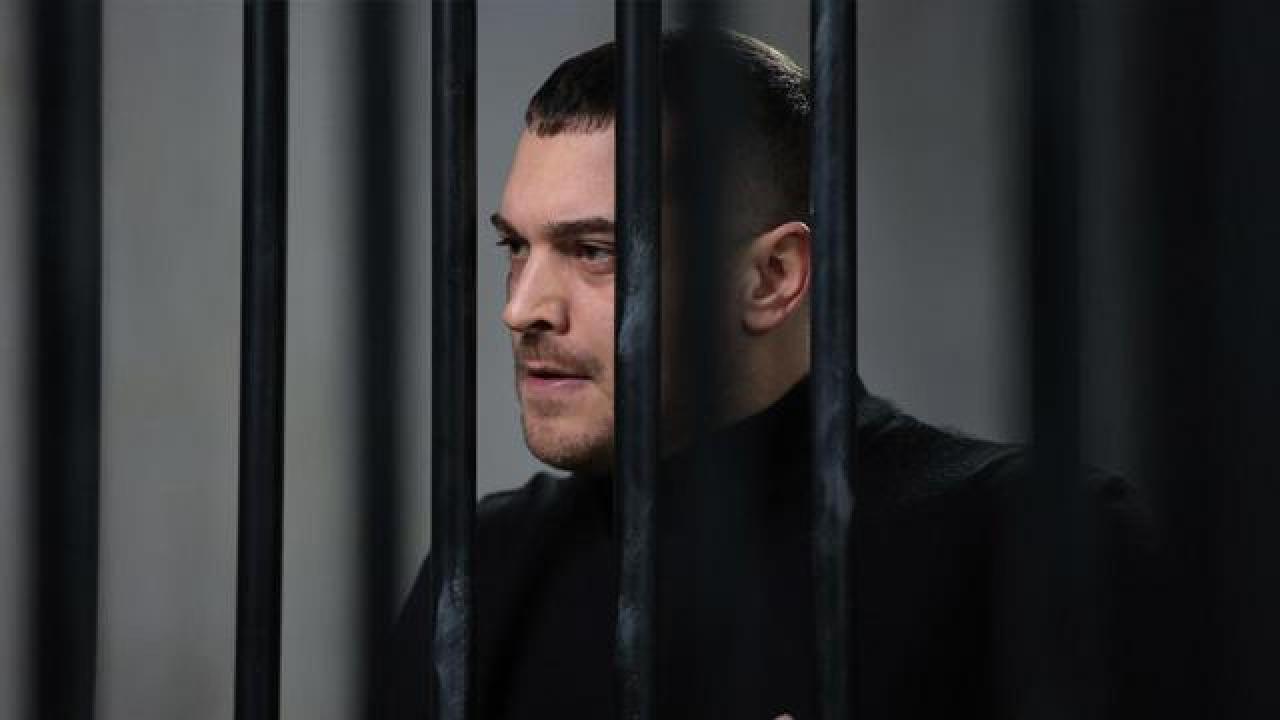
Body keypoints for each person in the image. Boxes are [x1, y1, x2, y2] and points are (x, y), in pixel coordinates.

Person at [388, 30, 1157, 719]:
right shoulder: (486, 569)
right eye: (516, 248)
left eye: (595, 252)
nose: (521, 308)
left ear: (773, 277)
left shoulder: (1025, 543)